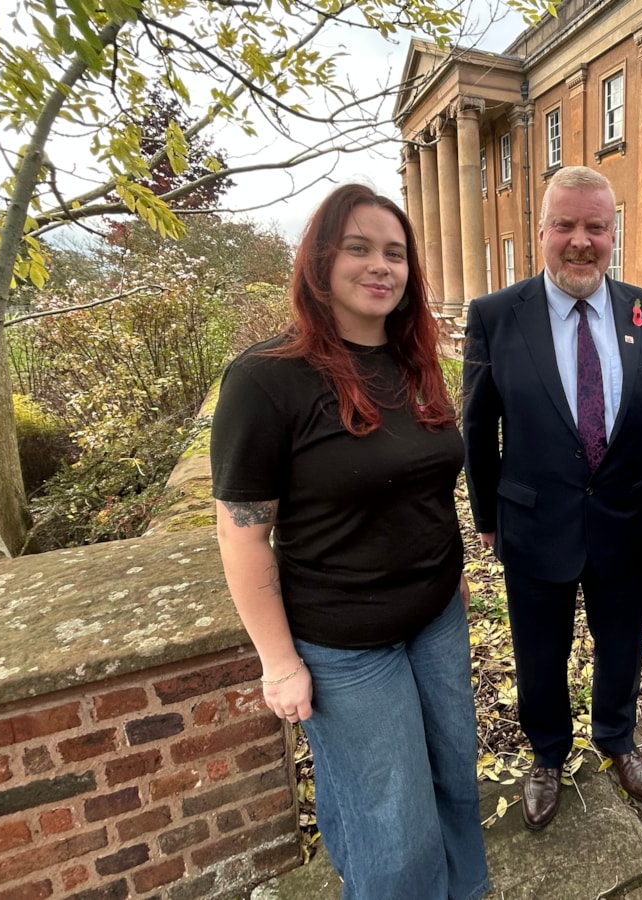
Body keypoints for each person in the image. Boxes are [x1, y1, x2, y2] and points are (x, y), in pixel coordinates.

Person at [210, 184, 487, 900]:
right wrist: (278, 663)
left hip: (436, 616)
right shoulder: (266, 379)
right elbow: (243, 536)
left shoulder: (414, 362)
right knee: (388, 819)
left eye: (395, 253)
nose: (380, 266)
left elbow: (423, 481)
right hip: (345, 642)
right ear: (320, 261)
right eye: (358, 248)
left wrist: (447, 564)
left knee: (454, 774)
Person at [463, 165, 642, 830]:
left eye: (596, 227)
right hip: (534, 523)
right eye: (566, 226)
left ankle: (617, 737)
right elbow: (477, 426)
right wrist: (488, 515)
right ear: (542, 231)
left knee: (623, 646)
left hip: (625, 523)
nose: (580, 241)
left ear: (614, 232)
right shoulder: (496, 316)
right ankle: (548, 753)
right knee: (538, 655)